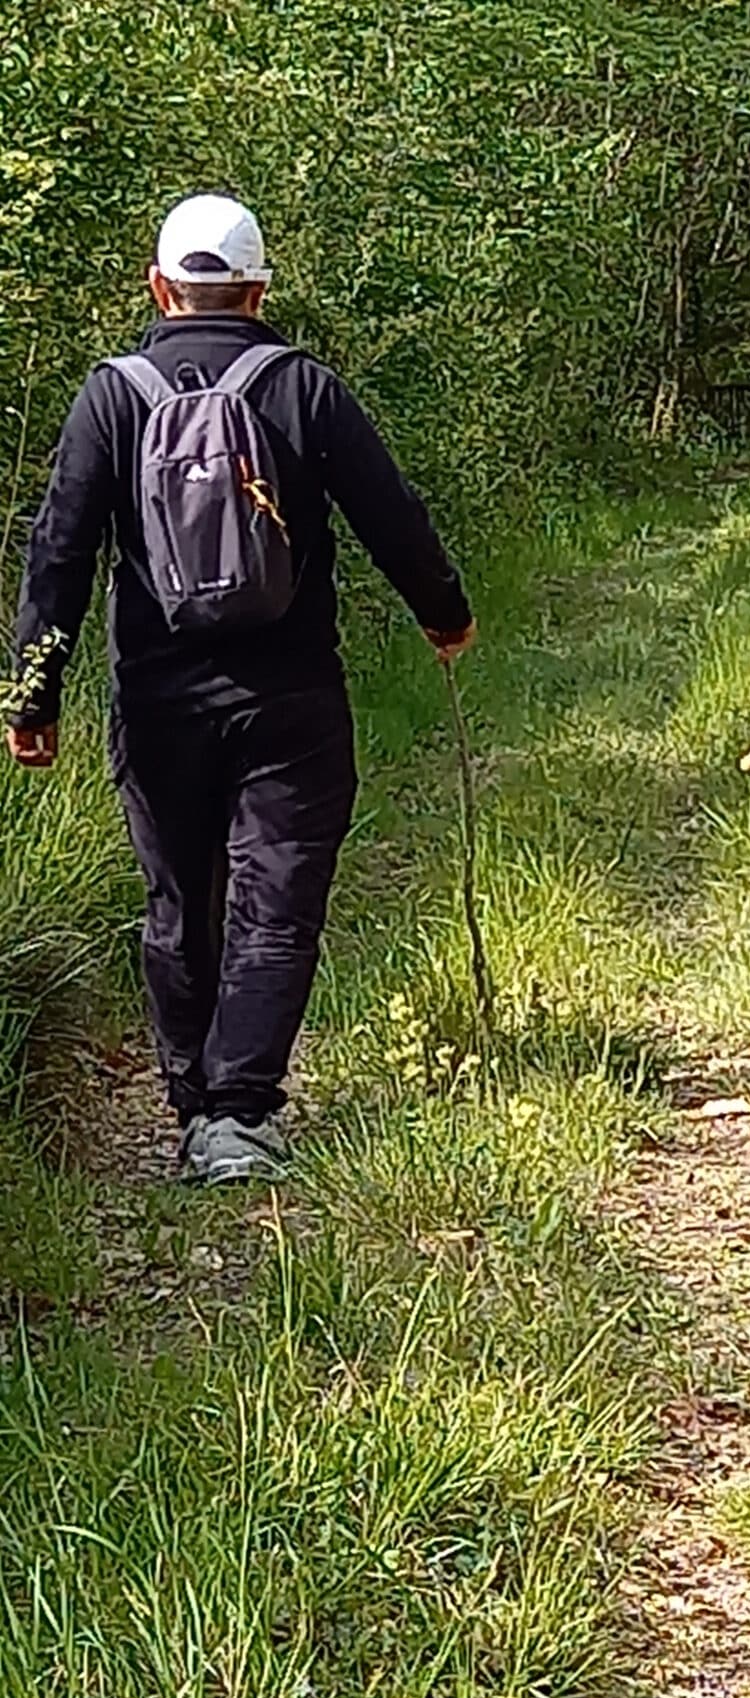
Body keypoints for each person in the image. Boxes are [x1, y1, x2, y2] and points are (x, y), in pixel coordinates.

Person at [8, 193, 474, 1185]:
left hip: (158, 699)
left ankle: (193, 1104)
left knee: (178, 899)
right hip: (291, 697)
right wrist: (445, 613)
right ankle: (240, 1113)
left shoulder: (113, 395)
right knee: (278, 897)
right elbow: (393, 513)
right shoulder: (300, 387)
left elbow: (59, 550)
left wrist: (30, 695)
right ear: (260, 289)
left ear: (159, 285)